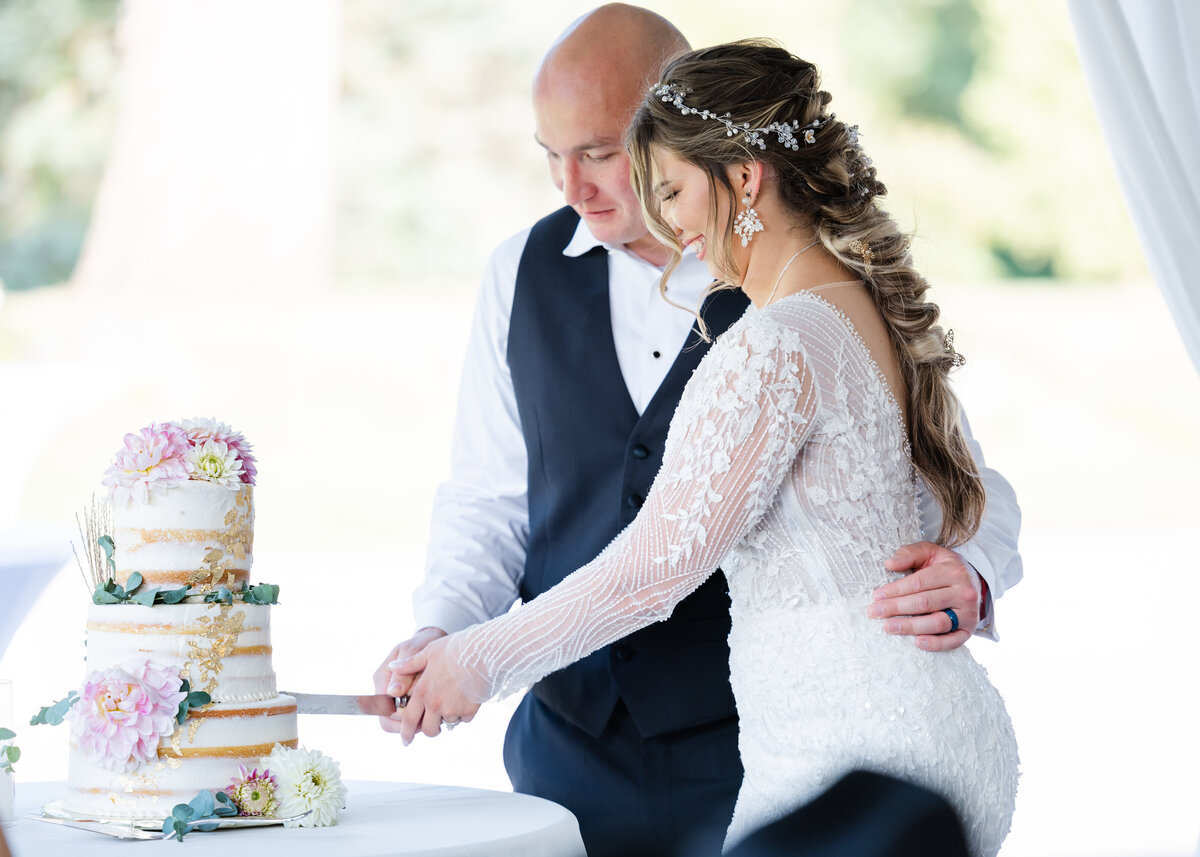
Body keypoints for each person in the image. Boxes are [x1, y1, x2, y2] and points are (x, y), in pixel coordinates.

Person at [374, 7, 1021, 857]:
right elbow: (486, 497)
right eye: (550, 156)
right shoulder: (856, 301)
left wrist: (480, 661)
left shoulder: (773, 332)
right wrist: (443, 629)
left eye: (611, 155)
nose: (579, 186)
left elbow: (659, 565)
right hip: (606, 744)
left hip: (803, 750)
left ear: (722, 161)